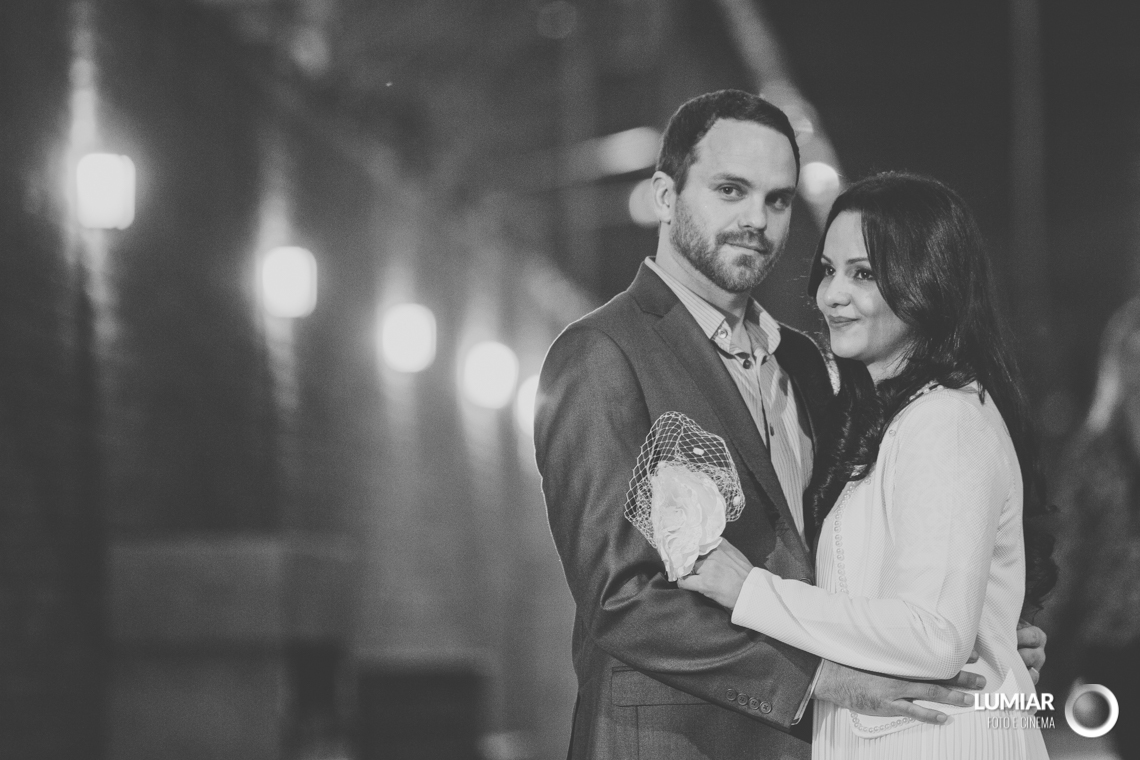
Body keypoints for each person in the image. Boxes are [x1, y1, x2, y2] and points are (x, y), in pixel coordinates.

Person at [534, 90, 1046, 760]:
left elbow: (872, 539)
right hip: (674, 740)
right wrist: (822, 683)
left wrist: (984, 619)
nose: (758, 219)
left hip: (823, 740)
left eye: (777, 200)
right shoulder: (602, 354)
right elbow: (621, 598)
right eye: (731, 190)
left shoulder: (808, 362)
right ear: (665, 196)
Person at [680, 172, 1056, 758]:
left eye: (863, 274)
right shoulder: (890, 419)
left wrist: (750, 591)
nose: (831, 295)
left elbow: (935, 635)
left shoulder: (945, 421)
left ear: (928, 280)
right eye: (829, 270)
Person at [1043, 295, 1140, 757]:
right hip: (1113, 639)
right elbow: (1067, 552)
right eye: (1133, 356)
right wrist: (1042, 633)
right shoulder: (1092, 451)